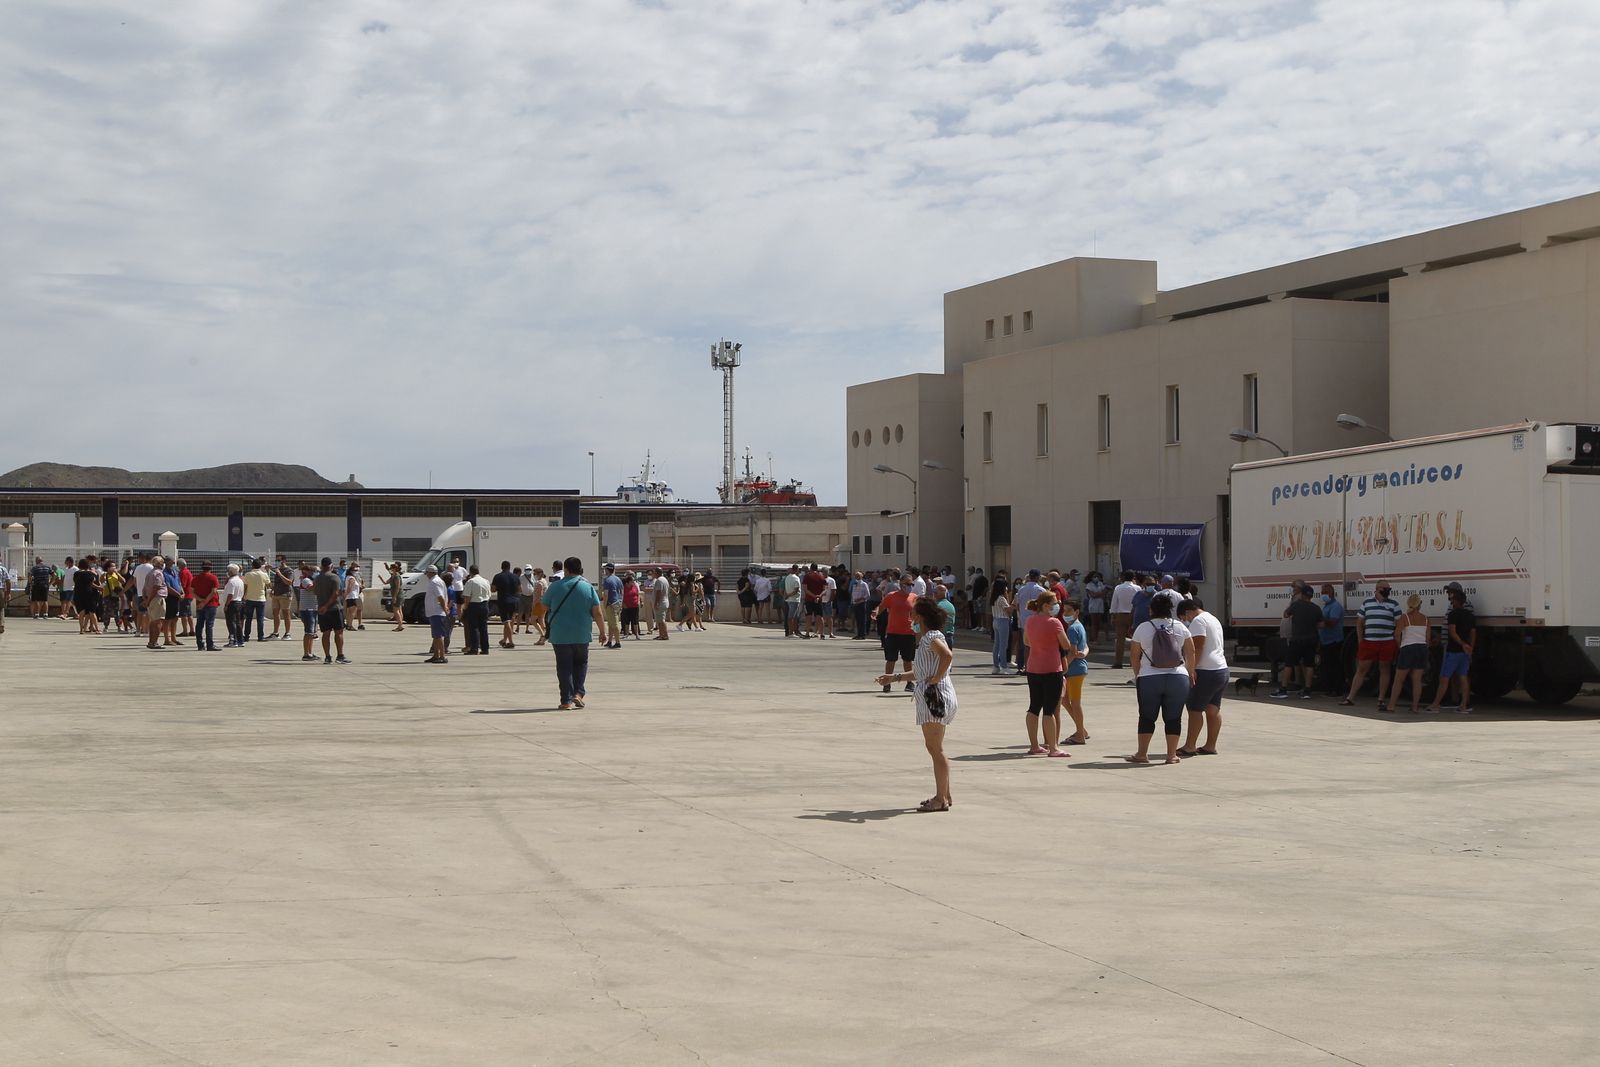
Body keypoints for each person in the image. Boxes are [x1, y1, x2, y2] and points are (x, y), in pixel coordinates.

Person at [876, 598, 958, 813]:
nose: (909, 616)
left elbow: (947, 656)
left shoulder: (931, 637)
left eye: (912, 613)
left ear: (920, 616)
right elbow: (921, 673)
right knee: (934, 748)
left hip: (935, 696)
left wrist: (937, 678)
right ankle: (945, 795)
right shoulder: (926, 639)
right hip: (932, 694)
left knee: (936, 748)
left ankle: (940, 799)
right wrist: (894, 678)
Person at [1127, 593, 1195, 765]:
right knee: (1173, 717)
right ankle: (1171, 755)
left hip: (1150, 677)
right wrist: (1190, 672)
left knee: (1147, 716)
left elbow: (1134, 656)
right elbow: (1191, 651)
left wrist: (1138, 674)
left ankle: (1142, 754)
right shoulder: (1180, 627)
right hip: (1178, 677)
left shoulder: (1143, 628)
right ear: (1170, 609)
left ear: (1151, 610)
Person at [543, 555, 604, 710]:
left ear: (566, 569)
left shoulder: (555, 586)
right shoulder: (588, 587)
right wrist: (603, 632)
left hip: (560, 635)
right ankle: (578, 693)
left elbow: (541, 609)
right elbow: (597, 613)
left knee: (564, 667)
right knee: (581, 663)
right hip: (582, 634)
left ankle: (566, 701)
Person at [1177, 597, 1228, 756]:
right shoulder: (1213, 619)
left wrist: (1190, 669)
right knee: (1212, 709)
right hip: (1221, 669)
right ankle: (1210, 745)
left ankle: (1190, 746)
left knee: (1194, 708)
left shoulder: (1198, 621)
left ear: (1187, 612)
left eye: (1184, 618)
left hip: (1206, 671)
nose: (1185, 621)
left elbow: (1197, 647)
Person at [1341, 582, 1399, 709]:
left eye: (1389, 589)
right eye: (1386, 589)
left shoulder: (1394, 604)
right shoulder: (1367, 603)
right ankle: (1350, 697)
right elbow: (1359, 622)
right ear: (1378, 589)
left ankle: (1381, 699)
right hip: (1369, 641)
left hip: (1387, 641)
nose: (1388, 591)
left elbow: (1398, 623)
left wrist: (1395, 639)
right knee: (1362, 669)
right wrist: (1361, 640)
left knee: (1384, 669)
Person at [1271, 584, 1324, 699]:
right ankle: (1307, 690)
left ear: (1302, 594)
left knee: (1289, 664)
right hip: (1311, 640)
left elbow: (1285, 614)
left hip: (1297, 640)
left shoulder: (1296, 605)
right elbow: (1321, 624)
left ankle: (1283, 689)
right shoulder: (1316, 608)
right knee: (1309, 665)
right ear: (1311, 596)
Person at [1428, 588, 1475, 714]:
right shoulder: (1470, 616)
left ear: (1455, 601)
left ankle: (1435, 704)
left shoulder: (1453, 614)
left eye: (1451, 599)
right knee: (1463, 678)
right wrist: (1470, 647)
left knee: (1444, 678)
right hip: (1465, 653)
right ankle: (1463, 705)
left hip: (1453, 651)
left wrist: (1462, 644)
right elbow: (1473, 633)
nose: (1450, 602)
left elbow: (1452, 632)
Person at [871, 573, 918, 694]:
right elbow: (881, 607)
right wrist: (876, 613)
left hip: (909, 633)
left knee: (908, 660)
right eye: (907, 584)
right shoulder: (891, 596)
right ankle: (887, 683)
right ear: (901, 584)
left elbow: (919, 613)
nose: (910, 586)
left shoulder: (914, 597)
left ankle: (909, 683)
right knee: (891, 659)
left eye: (911, 584)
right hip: (893, 633)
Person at [1387, 594, 1430, 714]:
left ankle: (1391, 706)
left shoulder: (1405, 617)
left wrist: (1400, 645)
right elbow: (1428, 639)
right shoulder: (1426, 619)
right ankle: (1415, 707)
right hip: (1421, 648)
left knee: (1399, 679)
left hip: (1408, 648)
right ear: (1419, 604)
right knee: (1417, 680)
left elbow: (1396, 634)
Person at [1058, 598, 1091, 745]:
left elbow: (1072, 652)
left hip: (1075, 670)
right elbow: (1084, 647)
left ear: (1077, 612)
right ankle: (1081, 730)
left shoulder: (1072, 628)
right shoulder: (1078, 626)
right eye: (1064, 610)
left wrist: (1062, 668)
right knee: (1066, 700)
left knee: (1075, 702)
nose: (1065, 613)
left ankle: (1080, 734)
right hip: (1077, 669)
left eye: (1069, 611)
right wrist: (1084, 652)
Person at [313, 557, 350, 664]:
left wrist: (323, 606)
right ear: (330, 565)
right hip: (334, 608)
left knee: (326, 633)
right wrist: (327, 605)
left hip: (322, 609)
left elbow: (315, 592)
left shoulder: (317, 578)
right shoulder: (334, 577)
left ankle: (327, 656)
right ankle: (340, 655)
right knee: (339, 632)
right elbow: (336, 593)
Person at [1317, 583, 1346, 695]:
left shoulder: (1336, 606)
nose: (1324, 594)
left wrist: (1321, 622)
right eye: (1322, 592)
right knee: (1327, 665)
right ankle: (1329, 687)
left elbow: (1333, 621)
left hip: (1334, 641)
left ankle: (1337, 689)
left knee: (1335, 666)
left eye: (1326, 592)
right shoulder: (1326, 606)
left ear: (1332, 593)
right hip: (1325, 641)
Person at [422, 564, 451, 663]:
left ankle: (442, 656)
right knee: (435, 635)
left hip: (437, 612)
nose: (426, 575)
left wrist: (444, 608)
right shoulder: (435, 581)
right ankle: (436, 655)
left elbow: (440, 597)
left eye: (427, 573)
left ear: (431, 573)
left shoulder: (435, 582)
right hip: (435, 612)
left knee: (438, 635)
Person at [1109, 570, 1139, 668]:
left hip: (1121, 614)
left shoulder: (1118, 588)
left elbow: (1114, 603)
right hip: (1133, 615)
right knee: (1135, 639)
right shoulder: (1137, 588)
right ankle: (1133, 661)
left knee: (1120, 640)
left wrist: (1112, 614)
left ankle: (1118, 662)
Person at [238, 558, 269, 643]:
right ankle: (260, 636)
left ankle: (247, 636)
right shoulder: (264, 574)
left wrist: (243, 595)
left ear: (252, 565)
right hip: (261, 598)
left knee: (248, 619)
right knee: (260, 619)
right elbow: (269, 584)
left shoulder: (248, 574)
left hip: (250, 598)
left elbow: (245, 586)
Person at [141, 555, 169, 650]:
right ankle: (154, 642)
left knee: (152, 621)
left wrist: (146, 600)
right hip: (157, 598)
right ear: (159, 564)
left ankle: (151, 641)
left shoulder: (150, 573)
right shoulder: (158, 573)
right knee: (158, 621)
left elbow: (144, 588)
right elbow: (156, 587)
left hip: (151, 599)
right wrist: (148, 600)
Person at [494, 560, 523, 648]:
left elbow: (493, 589)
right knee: (510, 622)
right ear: (509, 567)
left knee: (506, 622)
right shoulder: (515, 577)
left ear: (501, 567)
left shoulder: (498, 576)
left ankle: (510, 642)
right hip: (514, 601)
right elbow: (520, 589)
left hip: (504, 601)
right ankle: (504, 640)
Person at [989, 582, 1013, 674]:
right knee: (1003, 645)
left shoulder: (993, 598)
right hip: (1003, 620)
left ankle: (996, 666)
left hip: (995, 620)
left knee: (997, 644)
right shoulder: (1001, 598)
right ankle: (1004, 666)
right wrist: (1013, 604)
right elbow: (1008, 610)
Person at [800, 564, 827, 639]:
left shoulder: (807, 576)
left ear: (811, 569)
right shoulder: (822, 577)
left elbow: (805, 589)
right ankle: (822, 634)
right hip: (818, 600)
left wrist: (814, 596)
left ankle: (807, 633)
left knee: (808, 616)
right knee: (820, 616)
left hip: (809, 599)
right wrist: (819, 596)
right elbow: (825, 589)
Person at [1084, 571, 1107, 644]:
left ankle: (1096, 637)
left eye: (1098, 576)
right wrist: (1099, 594)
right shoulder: (1089, 585)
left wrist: (1098, 594)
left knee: (1098, 623)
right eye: (1094, 576)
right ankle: (1094, 639)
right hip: (1093, 605)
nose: (1096, 578)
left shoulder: (1100, 584)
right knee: (1093, 623)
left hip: (1100, 604)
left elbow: (1104, 593)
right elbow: (1092, 595)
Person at [781, 565, 803, 637]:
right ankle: (791, 632)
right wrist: (789, 595)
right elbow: (796, 590)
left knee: (795, 616)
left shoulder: (787, 577)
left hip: (788, 600)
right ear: (796, 570)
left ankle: (795, 631)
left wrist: (786, 595)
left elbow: (785, 588)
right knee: (791, 616)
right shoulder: (796, 578)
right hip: (794, 599)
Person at [649, 568, 671, 640]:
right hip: (664, 602)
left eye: (654, 572)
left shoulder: (659, 580)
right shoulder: (664, 579)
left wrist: (657, 603)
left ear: (657, 573)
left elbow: (659, 592)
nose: (653, 574)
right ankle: (661, 634)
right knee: (659, 620)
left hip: (661, 603)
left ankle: (665, 635)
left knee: (661, 621)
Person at [343, 563, 365, 631]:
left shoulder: (348, 577)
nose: (356, 572)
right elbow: (349, 587)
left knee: (350, 612)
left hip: (351, 596)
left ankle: (349, 624)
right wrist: (346, 595)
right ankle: (349, 625)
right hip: (352, 596)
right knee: (352, 612)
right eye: (355, 571)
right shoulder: (351, 578)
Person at [620, 571, 642, 639]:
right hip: (626, 606)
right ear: (628, 582)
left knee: (635, 620)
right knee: (626, 621)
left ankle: (637, 634)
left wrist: (639, 601)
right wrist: (623, 604)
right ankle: (626, 634)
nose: (633, 582)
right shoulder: (624, 588)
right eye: (632, 581)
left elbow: (638, 594)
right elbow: (621, 596)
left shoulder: (635, 586)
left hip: (635, 606)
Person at [389, 563, 406, 632]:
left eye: (391, 568)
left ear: (394, 569)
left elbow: (398, 587)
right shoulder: (394, 576)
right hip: (397, 595)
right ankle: (400, 625)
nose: (390, 570)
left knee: (396, 611)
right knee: (399, 610)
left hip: (398, 595)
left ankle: (400, 625)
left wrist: (395, 596)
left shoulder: (396, 576)